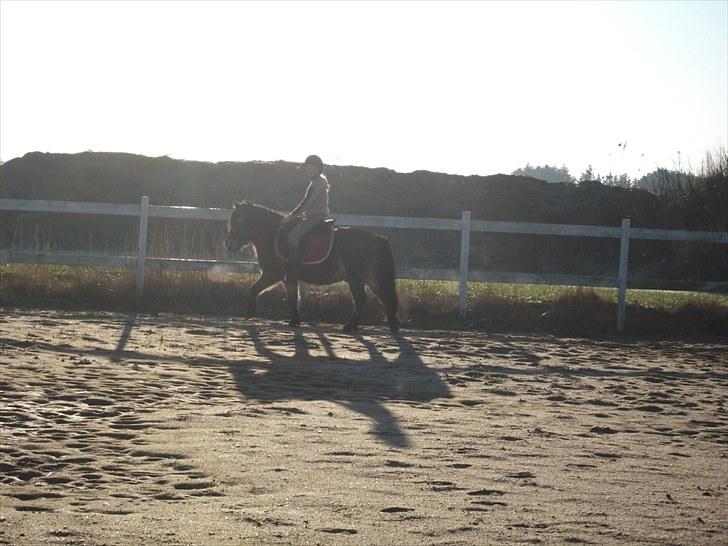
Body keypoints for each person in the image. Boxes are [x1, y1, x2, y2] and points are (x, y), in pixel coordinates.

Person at [283, 154, 330, 281]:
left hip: (313, 219)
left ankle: (295, 271)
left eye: (311, 167)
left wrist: (291, 216)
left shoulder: (317, 183)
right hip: (313, 217)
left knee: (292, 237)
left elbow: (306, 203)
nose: (308, 169)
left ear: (317, 168)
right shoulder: (319, 181)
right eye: (307, 167)